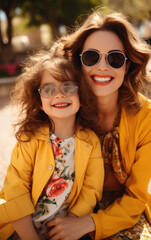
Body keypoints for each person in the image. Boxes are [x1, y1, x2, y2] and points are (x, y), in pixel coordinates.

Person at [45, 9, 151, 240]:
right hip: (64, 204)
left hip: (122, 212)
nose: (102, 67)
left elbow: (136, 198)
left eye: (114, 58)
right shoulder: (62, 106)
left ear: (128, 66)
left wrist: (88, 223)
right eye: (92, 57)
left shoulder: (147, 119)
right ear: (78, 62)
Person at [0, 49, 104, 240]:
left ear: (81, 96)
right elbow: (16, 190)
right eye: (48, 89)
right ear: (39, 101)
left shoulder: (91, 142)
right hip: (23, 229)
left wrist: (71, 222)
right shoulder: (29, 140)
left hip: (68, 228)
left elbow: (91, 190)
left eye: (68, 87)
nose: (58, 95)